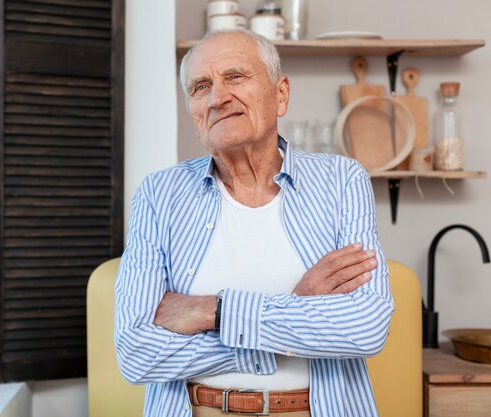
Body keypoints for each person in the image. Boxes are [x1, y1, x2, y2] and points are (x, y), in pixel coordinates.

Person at [114, 29, 393, 417]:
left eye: (235, 77)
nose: (217, 98)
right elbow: (136, 355)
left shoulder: (342, 180)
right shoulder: (159, 194)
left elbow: (367, 327)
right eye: (200, 86)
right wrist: (295, 309)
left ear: (280, 94)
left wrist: (213, 311)